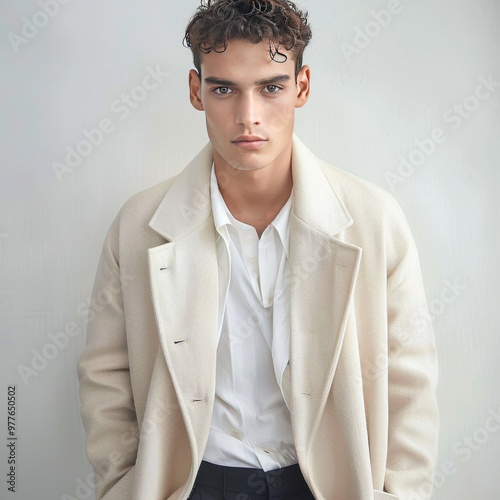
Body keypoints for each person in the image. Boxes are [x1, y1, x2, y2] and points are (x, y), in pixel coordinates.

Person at [77, 1, 439, 499]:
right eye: (224, 88)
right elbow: (105, 377)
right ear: (195, 91)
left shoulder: (374, 222)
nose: (248, 117)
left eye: (271, 87)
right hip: (189, 483)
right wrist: (122, 486)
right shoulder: (139, 226)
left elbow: (410, 385)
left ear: (302, 86)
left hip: (329, 484)